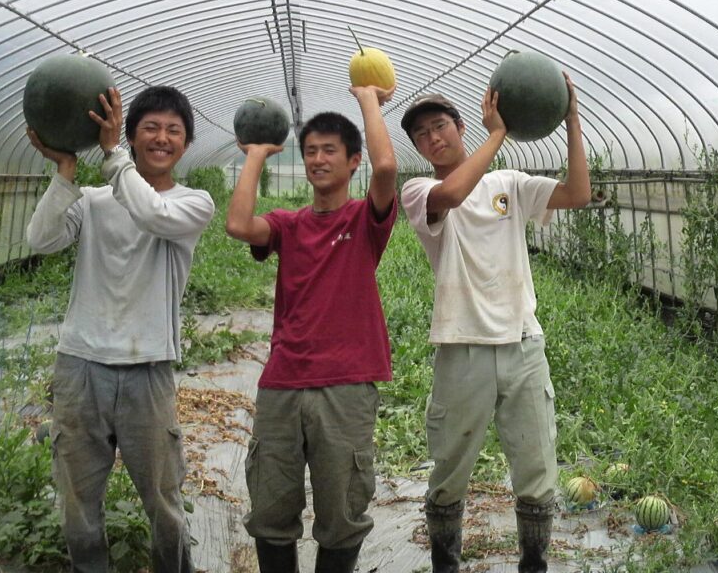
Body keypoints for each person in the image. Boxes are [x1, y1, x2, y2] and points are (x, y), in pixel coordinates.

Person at [399, 78, 590, 573]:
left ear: (460, 126)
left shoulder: (509, 184)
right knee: (449, 470)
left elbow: (578, 193)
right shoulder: (420, 191)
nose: (433, 138)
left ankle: (534, 564)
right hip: (462, 347)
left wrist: (570, 119)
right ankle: (446, 563)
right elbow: (455, 192)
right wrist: (497, 136)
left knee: (536, 469)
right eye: (421, 134)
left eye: (440, 126)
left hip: (524, 345)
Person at [26, 85, 214, 573]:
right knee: (77, 501)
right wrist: (65, 174)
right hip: (80, 367)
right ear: (129, 136)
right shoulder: (91, 201)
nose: (161, 137)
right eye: (150, 127)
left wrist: (110, 157)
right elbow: (40, 239)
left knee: (164, 502)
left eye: (173, 130)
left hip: (146, 370)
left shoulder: (193, 204)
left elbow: (151, 212)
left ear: (186, 144)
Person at [225, 84, 398, 573]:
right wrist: (256, 153)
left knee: (342, 509)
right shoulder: (288, 224)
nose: (318, 159)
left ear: (352, 161)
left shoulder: (365, 220)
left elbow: (386, 170)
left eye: (329, 151)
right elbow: (239, 224)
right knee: (271, 509)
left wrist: (367, 99)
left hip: (345, 385)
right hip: (282, 383)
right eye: (310, 152)